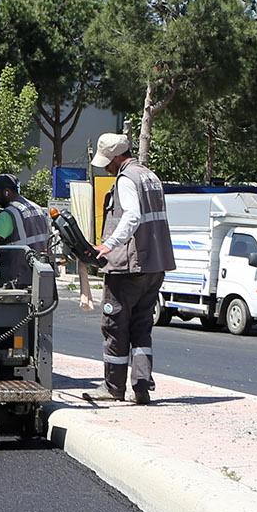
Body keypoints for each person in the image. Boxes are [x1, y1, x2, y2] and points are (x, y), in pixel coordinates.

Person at [88, 132, 175, 405]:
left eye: (107, 162)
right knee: (141, 327)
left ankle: (113, 387)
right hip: (154, 265)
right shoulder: (150, 176)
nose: (106, 168)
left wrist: (108, 245)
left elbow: (132, 216)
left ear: (117, 157)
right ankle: (141, 386)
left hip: (129, 267)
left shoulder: (126, 179)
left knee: (114, 325)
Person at [0, 174, 56, 369]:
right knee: (36, 329)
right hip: (40, 280)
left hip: (18, 280)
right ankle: (35, 363)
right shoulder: (37, 209)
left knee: (8, 325)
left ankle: (6, 363)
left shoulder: (10, 214)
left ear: (7, 192)